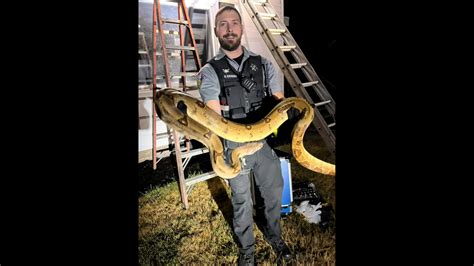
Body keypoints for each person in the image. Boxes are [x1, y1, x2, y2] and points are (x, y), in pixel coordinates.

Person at [198, 5, 292, 265]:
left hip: (262, 141)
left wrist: (286, 113)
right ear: (216, 31)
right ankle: (247, 251)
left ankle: (275, 237)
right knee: (241, 200)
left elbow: (279, 101)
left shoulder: (263, 65)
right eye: (223, 24)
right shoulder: (209, 71)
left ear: (241, 28)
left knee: (274, 191)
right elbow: (214, 116)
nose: (230, 28)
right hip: (233, 145)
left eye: (234, 23)